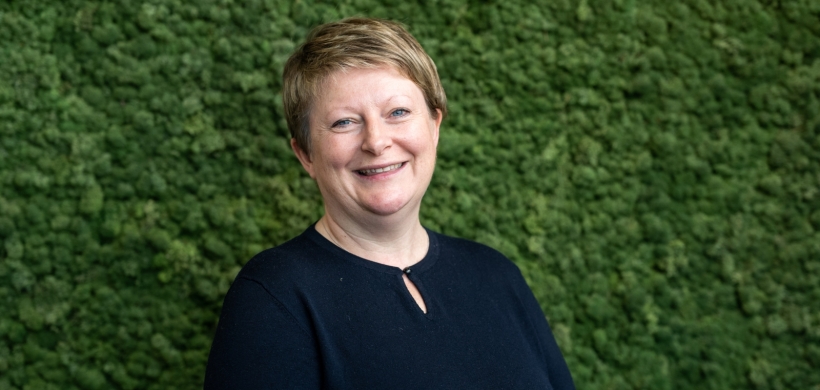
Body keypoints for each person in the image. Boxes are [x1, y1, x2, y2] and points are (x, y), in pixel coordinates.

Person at [204, 17, 575, 389]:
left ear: (434, 126)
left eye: (398, 112)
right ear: (305, 155)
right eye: (344, 122)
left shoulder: (496, 276)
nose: (376, 141)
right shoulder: (274, 297)